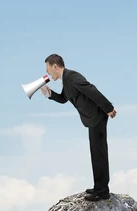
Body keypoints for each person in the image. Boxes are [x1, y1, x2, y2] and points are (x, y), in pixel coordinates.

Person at [41, 54, 117, 202]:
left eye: (48, 69)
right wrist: (50, 94)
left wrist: (108, 108)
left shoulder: (71, 76)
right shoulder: (66, 80)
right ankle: (99, 187)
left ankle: (102, 191)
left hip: (97, 117)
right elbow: (64, 98)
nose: (48, 72)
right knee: (96, 152)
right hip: (92, 119)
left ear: (55, 66)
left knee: (99, 153)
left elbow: (91, 90)